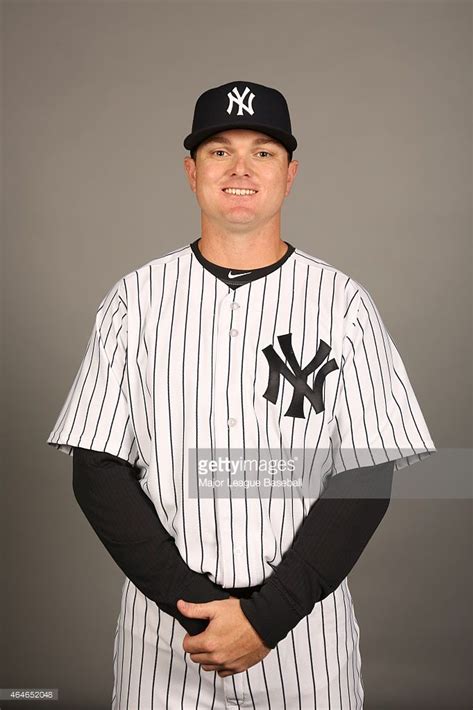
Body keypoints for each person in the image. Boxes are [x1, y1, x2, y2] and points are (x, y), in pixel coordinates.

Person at [46, 80, 437, 709]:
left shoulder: (343, 305)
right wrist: (199, 612)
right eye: (219, 151)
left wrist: (268, 618)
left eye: (263, 151)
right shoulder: (135, 302)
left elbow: (368, 475)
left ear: (290, 174)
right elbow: (97, 471)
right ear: (191, 170)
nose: (240, 169)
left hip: (304, 639)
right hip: (166, 636)